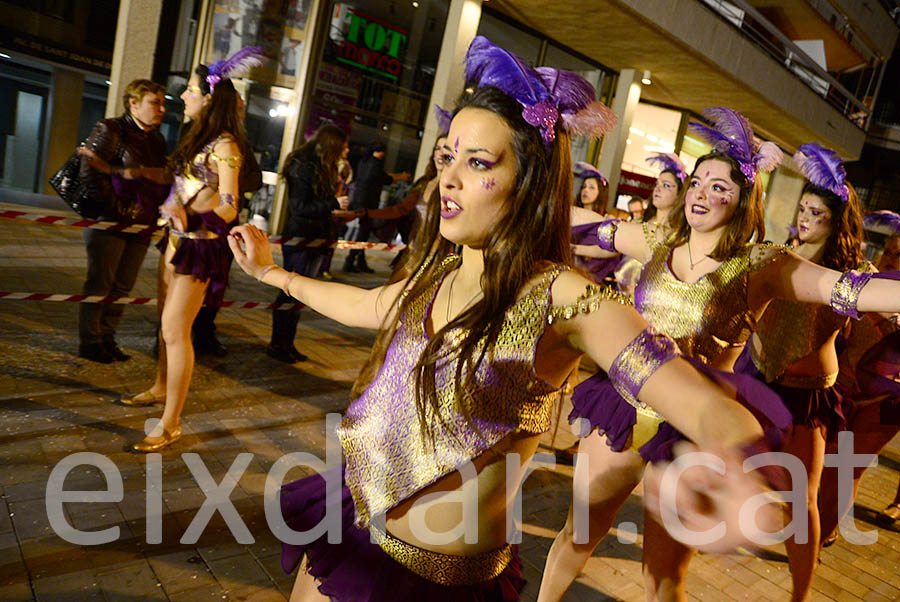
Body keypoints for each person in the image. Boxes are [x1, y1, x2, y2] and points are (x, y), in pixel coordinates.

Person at [228, 38, 785, 602]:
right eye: (448, 157)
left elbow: (705, 404)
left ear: (529, 182)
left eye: (478, 163)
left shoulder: (564, 297)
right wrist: (273, 276)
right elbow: (367, 306)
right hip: (352, 530)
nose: (448, 177)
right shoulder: (437, 271)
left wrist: (736, 466)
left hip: (440, 584)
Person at [539, 107, 900, 602]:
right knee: (577, 536)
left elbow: (846, 291)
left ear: (743, 199)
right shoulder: (656, 239)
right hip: (623, 406)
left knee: (663, 578)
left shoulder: (761, 265)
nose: (702, 194)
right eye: (698, 182)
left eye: (719, 187)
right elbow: (587, 228)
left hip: (693, 430)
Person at [84, 48, 263, 452]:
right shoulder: (198, 137)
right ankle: (161, 386)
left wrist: (193, 219)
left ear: (209, 97)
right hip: (175, 242)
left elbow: (230, 205)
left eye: (192, 91)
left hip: (199, 249)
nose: (184, 97)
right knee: (165, 325)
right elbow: (185, 188)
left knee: (174, 330)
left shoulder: (226, 145)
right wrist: (169, 204)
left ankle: (171, 422)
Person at [733, 143, 866, 601]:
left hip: (806, 393)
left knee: (801, 500)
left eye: (817, 213)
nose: (805, 218)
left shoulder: (849, 274)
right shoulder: (776, 253)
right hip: (755, 377)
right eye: (803, 209)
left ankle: (800, 595)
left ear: (837, 221)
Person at [77, 79, 168, 364]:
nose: (162, 109)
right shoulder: (111, 129)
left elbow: (158, 177)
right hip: (110, 222)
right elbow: (89, 174)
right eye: (155, 102)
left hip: (142, 224)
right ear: (133, 103)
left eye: (163, 104)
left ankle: (107, 337)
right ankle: (90, 341)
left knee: (122, 287)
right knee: (100, 284)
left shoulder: (157, 139)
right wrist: (118, 210)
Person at [818, 227, 900, 542]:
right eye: (888, 251)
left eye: (899, 254)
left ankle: (821, 537)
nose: (891, 258)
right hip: (847, 390)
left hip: (889, 401)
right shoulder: (869, 282)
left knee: (850, 468)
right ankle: (822, 527)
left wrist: (880, 314)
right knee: (831, 464)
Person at [268, 124, 356, 363]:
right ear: (332, 145)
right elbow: (300, 208)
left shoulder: (323, 166)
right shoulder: (304, 165)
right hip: (301, 239)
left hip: (318, 237)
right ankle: (278, 344)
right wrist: (333, 203)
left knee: (301, 294)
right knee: (290, 290)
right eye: (343, 146)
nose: (346, 150)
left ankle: (288, 343)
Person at [343, 142, 410, 273]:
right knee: (363, 234)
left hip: (359, 200)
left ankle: (358, 262)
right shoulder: (375, 164)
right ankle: (350, 261)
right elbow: (385, 179)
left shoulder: (364, 162)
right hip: (368, 203)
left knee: (364, 232)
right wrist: (401, 177)